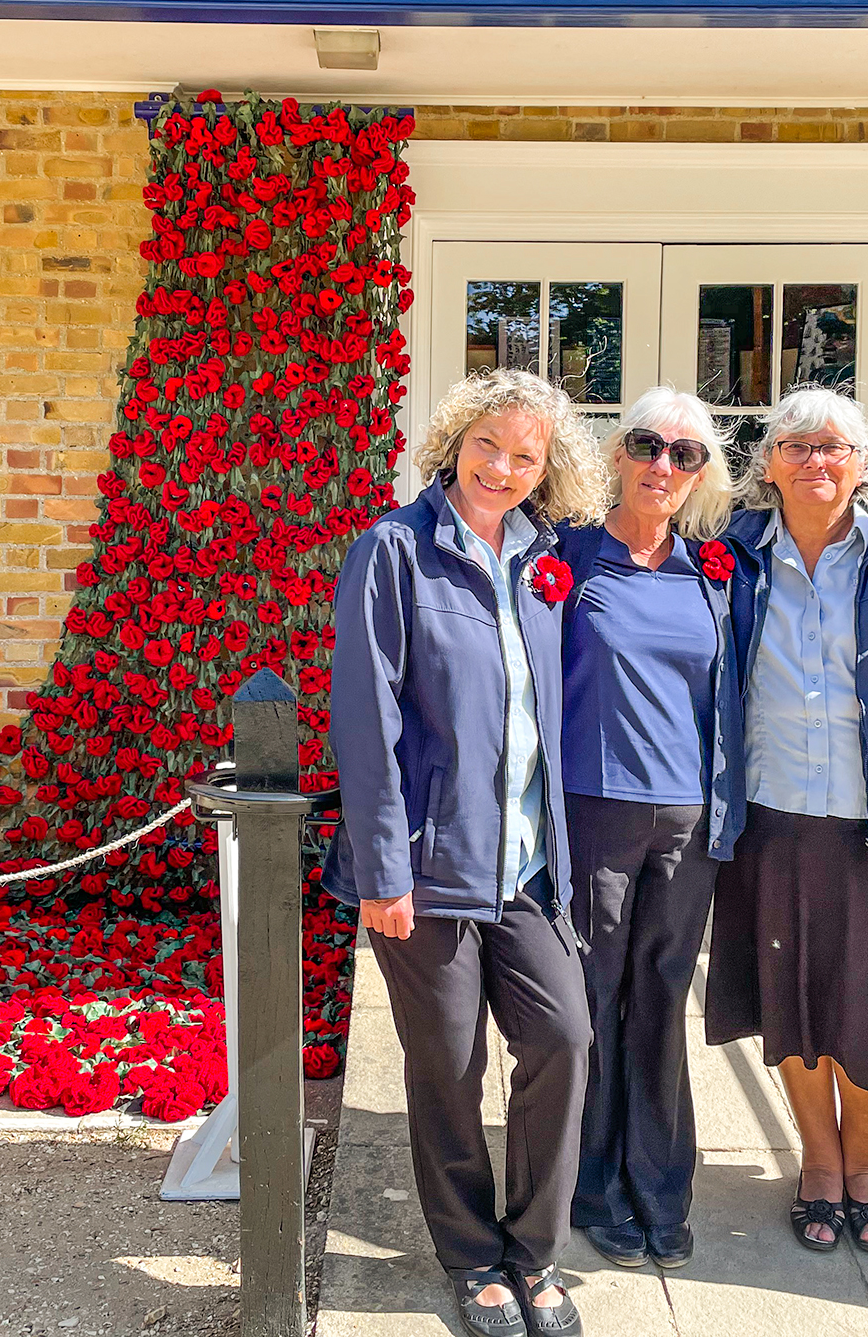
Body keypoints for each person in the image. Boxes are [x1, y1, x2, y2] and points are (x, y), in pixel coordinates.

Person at [326, 368, 609, 1337]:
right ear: (453, 441)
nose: (500, 467)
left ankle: (534, 1253)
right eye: (486, 445)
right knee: (445, 1065)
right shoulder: (393, 552)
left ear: (544, 472)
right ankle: (471, 1258)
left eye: (524, 456)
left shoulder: (540, 561)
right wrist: (381, 870)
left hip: (526, 869)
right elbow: (363, 723)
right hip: (428, 867)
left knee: (562, 1040)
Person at [703, 385, 868, 1256]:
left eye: (834, 446)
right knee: (792, 995)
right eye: (796, 445)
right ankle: (818, 1157)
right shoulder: (728, 552)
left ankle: (867, 1160)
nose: (815, 460)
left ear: (863, 463)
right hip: (768, 814)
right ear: (766, 464)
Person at [551, 387, 736, 1272]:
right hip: (595, 810)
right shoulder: (567, 556)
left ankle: (660, 1185)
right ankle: (591, 1185)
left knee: (662, 1001)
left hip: (687, 821)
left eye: (686, 455)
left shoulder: (715, 569)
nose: (664, 466)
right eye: (648, 446)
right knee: (592, 998)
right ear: (619, 453)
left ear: (702, 475)